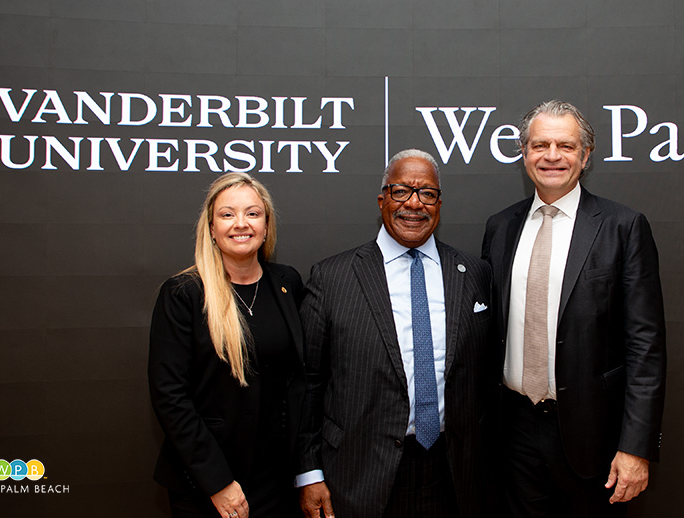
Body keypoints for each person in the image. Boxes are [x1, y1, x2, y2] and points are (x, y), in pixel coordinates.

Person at [481, 100, 667, 517]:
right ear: (524, 154)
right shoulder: (500, 227)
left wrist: (635, 448)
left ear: (585, 155)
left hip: (591, 438)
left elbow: (646, 349)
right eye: (540, 145)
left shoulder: (623, 227)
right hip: (513, 433)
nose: (551, 156)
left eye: (565, 145)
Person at [296, 149, 495, 518]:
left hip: (453, 475)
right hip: (360, 473)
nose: (414, 204)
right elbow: (308, 383)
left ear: (439, 202)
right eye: (401, 191)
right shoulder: (332, 278)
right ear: (382, 200)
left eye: (427, 194)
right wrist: (309, 473)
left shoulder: (474, 273)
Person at [149, 173, 306, 518]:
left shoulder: (287, 283)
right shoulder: (183, 294)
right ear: (211, 228)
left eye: (252, 213)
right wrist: (217, 483)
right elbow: (170, 397)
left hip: (275, 478)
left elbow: (298, 382)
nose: (241, 224)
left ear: (266, 225)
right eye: (227, 214)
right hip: (207, 482)